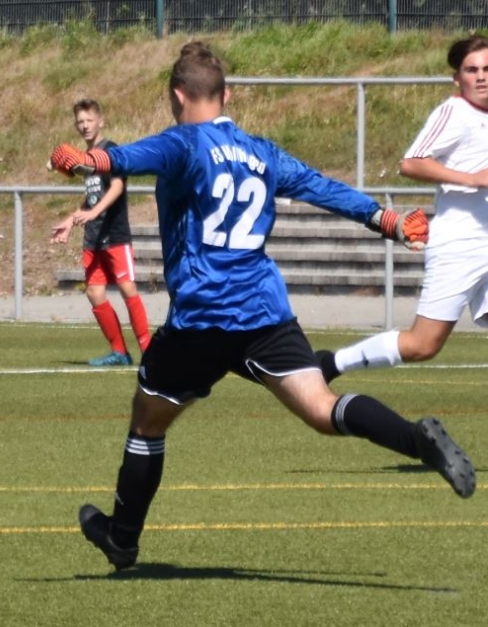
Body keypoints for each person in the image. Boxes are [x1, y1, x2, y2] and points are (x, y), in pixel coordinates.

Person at [48, 41, 475, 571]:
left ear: (177, 96)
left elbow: (131, 157)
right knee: (321, 408)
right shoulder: (262, 152)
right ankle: (415, 440)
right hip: (264, 313)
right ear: (226, 95)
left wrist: (87, 159)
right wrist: (383, 220)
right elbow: (320, 186)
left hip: (202, 318)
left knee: (148, 421)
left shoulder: (182, 142)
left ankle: (122, 538)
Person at [317, 34, 488, 382]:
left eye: (487, 69)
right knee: (422, 345)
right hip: (461, 245)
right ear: (457, 78)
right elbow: (411, 162)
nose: (481, 76)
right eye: (471, 70)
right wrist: (472, 178)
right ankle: (330, 364)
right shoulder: (454, 112)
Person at [51, 99, 150, 367]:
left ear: (100, 122)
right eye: (80, 122)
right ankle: (119, 352)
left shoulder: (111, 151)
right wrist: (71, 221)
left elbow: (117, 186)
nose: (84, 125)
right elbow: (92, 198)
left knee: (128, 289)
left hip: (115, 233)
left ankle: (149, 352)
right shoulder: (85, 159)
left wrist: (94, 212)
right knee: (94, 293)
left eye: (89, 120)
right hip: (93, 237)